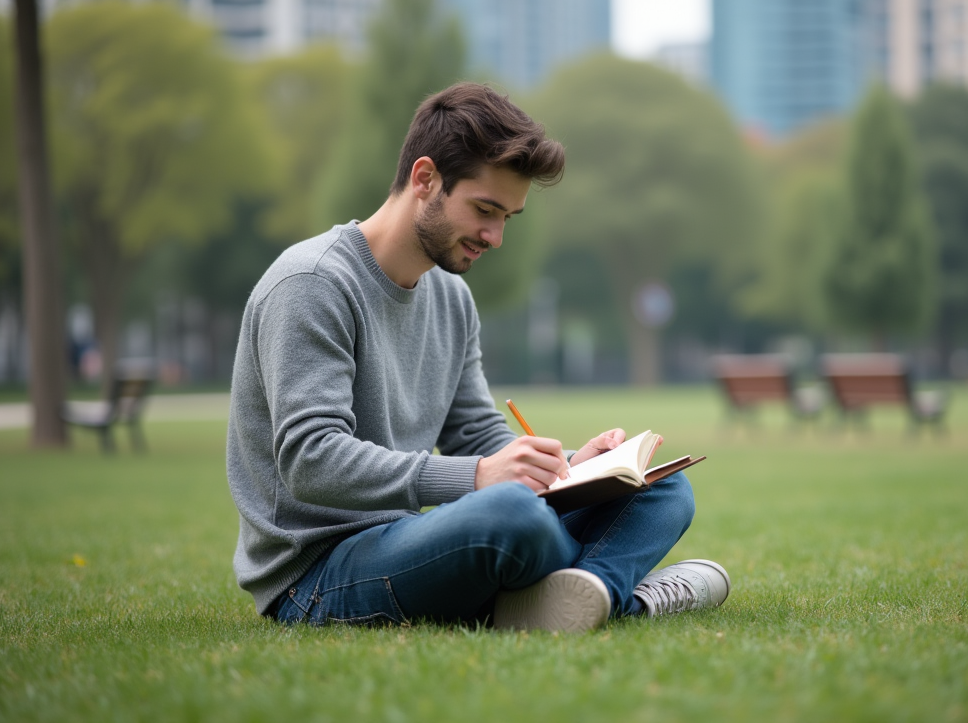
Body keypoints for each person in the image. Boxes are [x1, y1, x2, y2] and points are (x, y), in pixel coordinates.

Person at [226, 82, 729, 632]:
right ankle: (623, 591)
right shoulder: (312, 284)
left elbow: (475, 434)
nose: (495, 237)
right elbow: (310, 460)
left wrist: (567, 468)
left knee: (659, 485)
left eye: (508, 217)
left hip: (416, 536)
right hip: (318, 573)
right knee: (510, 516)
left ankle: (589, 594)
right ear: (425, 180)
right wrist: (479, 477)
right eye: (485, 209)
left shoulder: (450, 296)